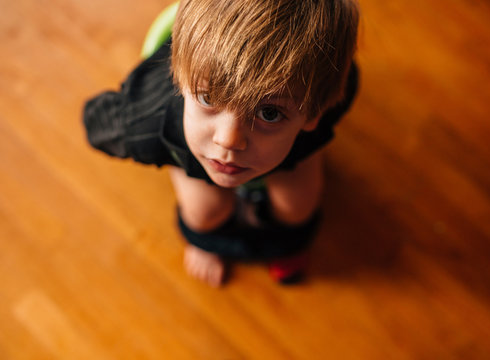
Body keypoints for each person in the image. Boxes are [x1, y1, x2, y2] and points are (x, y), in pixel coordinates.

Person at [83, 0, 360, 287]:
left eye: (269, 112)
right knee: (204, 211)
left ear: (314, 113)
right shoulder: (145, 118)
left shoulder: (327, 89)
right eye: (208, 98)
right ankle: (207, 241)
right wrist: (166, 153)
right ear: (179, 78)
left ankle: (284, 244)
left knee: (297, 204)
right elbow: (99, 122)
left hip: (296, 143)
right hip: (185, 144)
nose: (228, 139)